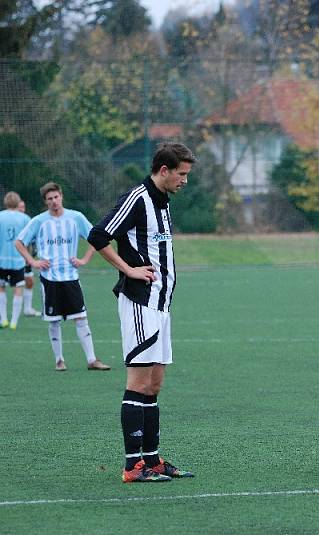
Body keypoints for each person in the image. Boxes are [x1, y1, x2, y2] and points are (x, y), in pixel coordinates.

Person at [87, 142, 196, 483]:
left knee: (154, 385)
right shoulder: (138, 198)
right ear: (163, 170)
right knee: (138, 383)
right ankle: (133, 465)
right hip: (141, 303)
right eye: (181, 174)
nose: (185, 181)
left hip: (161, 307)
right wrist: (129, 270)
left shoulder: (163, 201)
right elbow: (98, 235)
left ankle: (152, 459)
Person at [15, 183, 111, 371]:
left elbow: (96, 237)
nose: (54, 202)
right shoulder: (39, 221)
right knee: (53, 320)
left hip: (71, 277)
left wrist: (84, 259)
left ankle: (92, 360)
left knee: (81, 318)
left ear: (61, 197)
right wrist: (33, 262)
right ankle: (59, 360)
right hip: (49, 278)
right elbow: (19, 242)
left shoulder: (76, 217)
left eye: (56, 197)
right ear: (45, 201)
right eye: (49, 199)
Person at [0, 192, 31, 329]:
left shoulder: (0, 217)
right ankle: (14, 322)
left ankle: (4, 319)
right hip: (19, 260)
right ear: (18, 202)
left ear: (5, 202)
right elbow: (29, 240)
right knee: (18, 288)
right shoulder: (25, 218)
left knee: (1, 288)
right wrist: (28, 257)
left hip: (1, 259)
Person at [17, 200, 41, 317]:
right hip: (10, 260)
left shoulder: (28, 222)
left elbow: (32, 241)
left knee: (30, 282)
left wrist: (30, 256)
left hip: (25, 259)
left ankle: (27, 309)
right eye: (19, 207)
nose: (22, 209)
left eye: (23, 207)